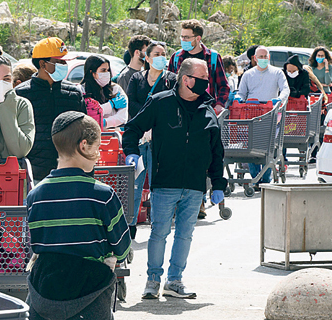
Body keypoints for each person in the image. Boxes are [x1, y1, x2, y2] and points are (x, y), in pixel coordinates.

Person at [123, 58, 226, 300]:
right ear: (186, 79)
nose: (206, 85)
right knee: (159, 232)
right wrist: (131, 153)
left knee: (185, 233)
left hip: (194, 185)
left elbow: (216, 151)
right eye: (202, 80)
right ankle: (152, 281)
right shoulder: (161, 102)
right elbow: (133, 128)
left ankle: (175, 280)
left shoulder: (207, 110)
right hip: (165, 182)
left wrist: (218, 184)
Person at [25, 111, 130, 319]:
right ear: (84, 146)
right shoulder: (103, 195)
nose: (99, 154)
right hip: (92, 294)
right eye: (97, 148)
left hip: (43, 293)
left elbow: (37, 244)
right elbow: (122, 247)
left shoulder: (35, 195)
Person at [15, 37, 86, 181]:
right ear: (42, 64)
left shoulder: (74, 93)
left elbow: (84, 129)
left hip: (70, 171)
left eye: (65, 61)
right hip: (34, 173)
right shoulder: (20, 94)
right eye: (59, 61)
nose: (64, 65)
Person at [126, 41, 177, 231]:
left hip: (161, 137)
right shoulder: (137, 78)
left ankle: (159, 222)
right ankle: (130, 223)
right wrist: (145, 124)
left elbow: (172, 105)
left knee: (158, 182)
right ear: (147, 58)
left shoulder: (171, 79)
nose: (161, 57)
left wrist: (155, 125)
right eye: (156, 54)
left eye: (164, 53)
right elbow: (131, 103)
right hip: (140, 136)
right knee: (136, 182)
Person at [236, 46, 290, 190]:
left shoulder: (277, 73)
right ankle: (256, 177)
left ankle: (264, 178)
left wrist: (279, 99)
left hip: (271, 115)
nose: (263, 59)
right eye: (260, 56)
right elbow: (241, 93)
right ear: (254, 58)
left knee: (268, 146)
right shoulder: (248, 75)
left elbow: (285, 89)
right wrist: (239, 99)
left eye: (265, 56)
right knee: (252, 147)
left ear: (269, 57)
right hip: (252, 115)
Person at [167, 19, 230, 114]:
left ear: (198, 38)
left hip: (205, 110)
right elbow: (169, 85)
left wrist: (219, 104)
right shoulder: (176, 57)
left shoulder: (213, 57)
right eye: (182, 37)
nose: (183, 40)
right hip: (180, 110)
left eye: (187, 37)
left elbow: (223, 86)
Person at [78, 55, 128, 129]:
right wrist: (110, 105)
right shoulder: (81, 90)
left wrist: (104, 122)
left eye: (108, 70)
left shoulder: (115, 89)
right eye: (103, 70)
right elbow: (87, 115)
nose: (107, 73)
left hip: (113, 134)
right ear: (93, 73)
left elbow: (122, 117)